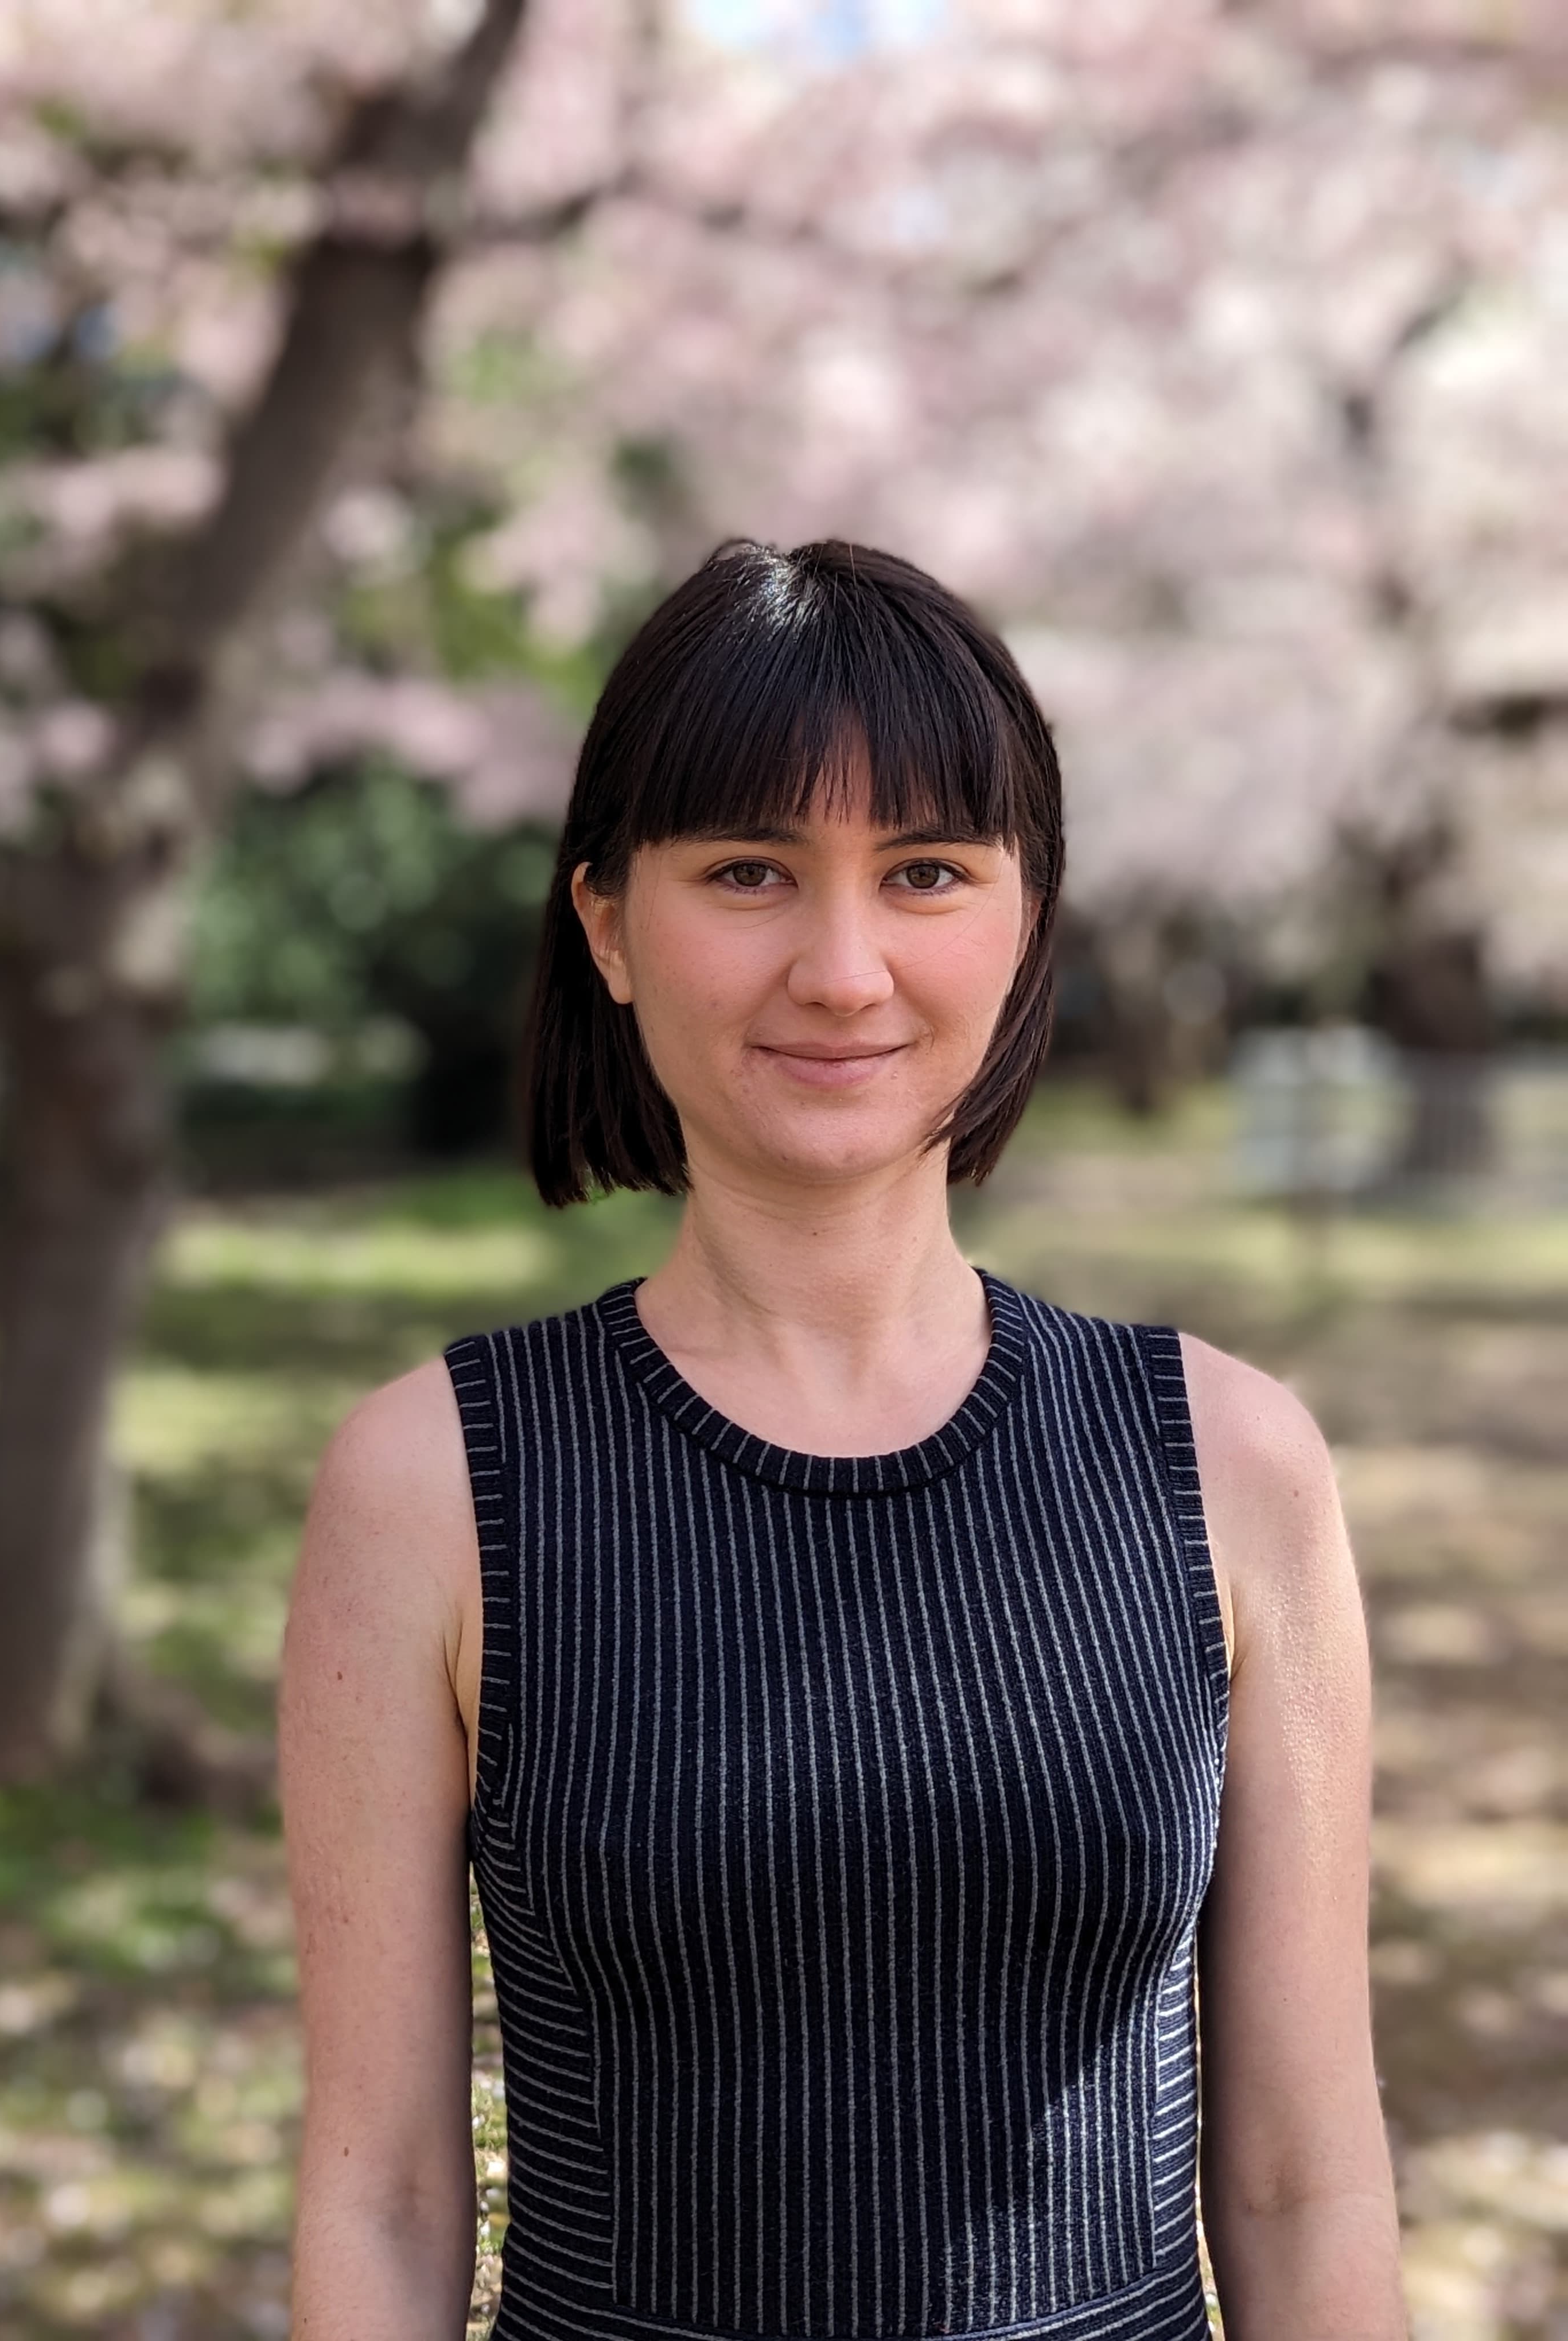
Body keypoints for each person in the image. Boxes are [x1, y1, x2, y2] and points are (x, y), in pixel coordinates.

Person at [279, 540, 1406, 2341]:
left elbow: (1302, 2176)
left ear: (1024, 918)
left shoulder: (1233, 1469)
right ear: (609, 925)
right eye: (750, 872)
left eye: (928, 873)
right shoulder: (430, 1490)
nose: (845, 965)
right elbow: (386, 2192)